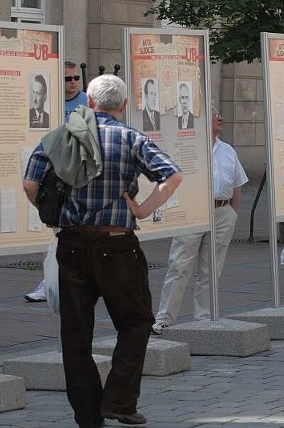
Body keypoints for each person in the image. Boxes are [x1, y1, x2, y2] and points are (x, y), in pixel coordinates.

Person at [23, 74, 182, 427]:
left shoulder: (59, 138)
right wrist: (141, 209)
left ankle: (88, 415)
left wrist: (51, 212)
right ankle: (120, 400)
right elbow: (171, 176)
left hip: (73, 243)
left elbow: (30, 183)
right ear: (123, 105)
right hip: (117, 242)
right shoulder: (130, 137)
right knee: (136, 322)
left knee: (76, 332)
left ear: (89, 103)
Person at [151, 105, 248, 334]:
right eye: (215, 115)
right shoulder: (190, 146)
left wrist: (232, 213)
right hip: (194, 211)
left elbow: (237, 184)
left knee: (211, 269)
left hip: (222, 212)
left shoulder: (228, 151)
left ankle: (204, 318)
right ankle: (165, 318)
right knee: (179, 265)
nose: (220, 117)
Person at [25, 61, 89, 303]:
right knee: (52, 230)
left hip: (79, 174)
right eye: (67, 79)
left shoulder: (88, 101)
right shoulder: (48, 102)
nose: (73, 82)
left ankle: (76, 280)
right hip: (53, 175)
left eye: (75, 78)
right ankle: (49, 281)